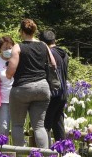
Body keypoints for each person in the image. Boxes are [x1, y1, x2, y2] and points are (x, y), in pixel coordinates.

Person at [6, 18, 56, 149]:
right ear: (34, 31)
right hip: (42, 88)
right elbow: (53, 64)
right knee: (39, 126)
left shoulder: (18, 47)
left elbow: (10, 71)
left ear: (21, 31)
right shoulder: (44, 45)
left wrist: (7, 74)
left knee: (17, 125)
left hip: (22, 89)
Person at [41, 30, 69, 143]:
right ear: (54, 40)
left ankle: (45, 154)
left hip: (52, 93)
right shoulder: (64, 54)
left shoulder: (49, 54)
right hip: (63, 93)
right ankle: (63, 153)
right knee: (58, 123)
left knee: (45, 125)